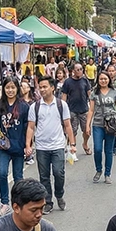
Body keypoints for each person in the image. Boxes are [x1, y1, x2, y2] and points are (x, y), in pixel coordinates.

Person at [27, 76, 76, 215]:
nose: (42, 89)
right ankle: (47, 201)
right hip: (41, 147)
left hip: (58, 145)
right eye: (40, 87)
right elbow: (31, 127)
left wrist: (72, 144)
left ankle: (59, 195)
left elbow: (67, 125)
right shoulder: (35, 107)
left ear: (52, 88)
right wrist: (28, 145)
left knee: (58, 173)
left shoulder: (61, 105)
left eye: (45, 87)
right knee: (44, 176)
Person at [0, 79, 29, 206]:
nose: (10, 90)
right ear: (3, 89)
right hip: (3, 146)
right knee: (2, 173)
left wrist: (27, 145)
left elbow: (27, 127)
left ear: (17, 88)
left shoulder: (24, 106)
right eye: (7, 87)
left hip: (18, 146)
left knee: (18, 176)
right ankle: (5, 202)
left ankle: (18, 202)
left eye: (13, 87)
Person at [88, 71, 116, 184]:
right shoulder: (94, 93)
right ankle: (98, 170)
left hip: (111, 125)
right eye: (101, 79)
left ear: (109, 80)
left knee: (108, 151)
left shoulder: (114, 92)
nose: (103, 81)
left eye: (105, 79)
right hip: (97, 124)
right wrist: (87, 125)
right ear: (98, 80)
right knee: (97, 149)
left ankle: (107, 174)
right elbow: (91, 110)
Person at [61, 64, 92, 155]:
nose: (79, 71)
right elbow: (64, 96)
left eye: (80, 69)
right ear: (73, 71)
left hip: (84, 110)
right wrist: (62, 108)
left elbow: (89, 94)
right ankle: (72, 148)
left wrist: (92, 106)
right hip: (72, 110)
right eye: (77, 69)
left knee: (87, 131)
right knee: (72, 131)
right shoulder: (68, 82)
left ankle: (85, 144)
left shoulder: (85, 81)